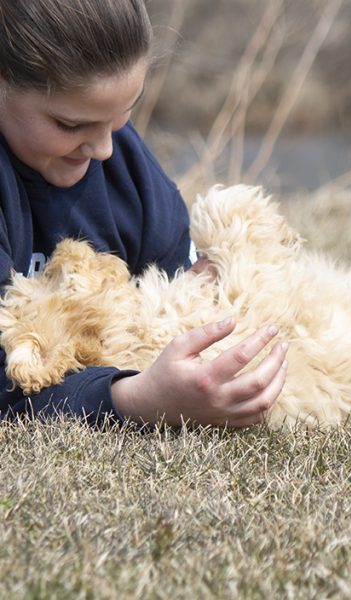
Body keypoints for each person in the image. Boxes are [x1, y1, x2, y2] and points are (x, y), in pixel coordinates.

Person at [0, 0, 288, 428]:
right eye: (69, 125)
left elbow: (182, 285)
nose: (103, 150)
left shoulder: (127, 170)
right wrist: (135, 399)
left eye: (122, 113)